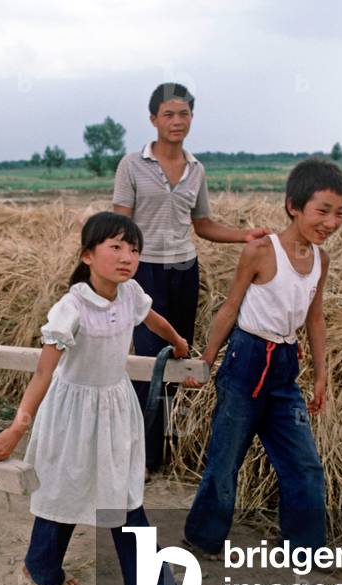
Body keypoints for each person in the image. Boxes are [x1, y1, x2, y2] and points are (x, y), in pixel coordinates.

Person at [0, 211, 189, 585]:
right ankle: (41, 569)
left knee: (124, 497)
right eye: (115, 247)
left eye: (133, 249)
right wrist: (16, 429)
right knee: (64, 486)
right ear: (87, 255)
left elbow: (154, 319)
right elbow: (44, 373)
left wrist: (178, 343)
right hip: (72, 413)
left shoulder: (131, 292)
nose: (127, 257)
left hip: (114, 408)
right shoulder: (71, 308)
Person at [182, 157, 342, 560]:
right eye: (322, 211)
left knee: (304, 463)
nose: (330, 222)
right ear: (294, 206)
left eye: (339, 213)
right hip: (245, 361)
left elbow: (315, 315)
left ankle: (304, 547)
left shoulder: (320, 260)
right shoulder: (260, 251)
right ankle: (203, 539)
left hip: (284, 368)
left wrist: (321, 374)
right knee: (225, 460)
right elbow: (230, 307)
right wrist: (206, 359)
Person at [113, 82, 269, 474]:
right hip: (144, 270)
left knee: (178, 356)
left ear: (191, 119)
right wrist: (119, 270)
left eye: (183, 114)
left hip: (184, 270)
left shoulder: (196, 169)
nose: (176, 121)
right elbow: (120, 224)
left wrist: (243, 235)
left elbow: (203, 225)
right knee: (148, 361)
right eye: (168, 114)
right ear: (153, 120)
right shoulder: (132, 165)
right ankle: (140, 455)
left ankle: (166, 450)